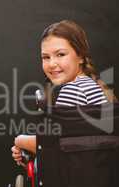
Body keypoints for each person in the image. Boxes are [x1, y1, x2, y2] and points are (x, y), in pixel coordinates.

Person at [11, 20, 117, 165]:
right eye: (46, 57)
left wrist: (20, 141)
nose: (52, 64)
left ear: (80, 56)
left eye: (60, 54)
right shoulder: (92, 85)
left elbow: (52, 146)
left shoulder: (74, 90)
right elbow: (69, 143)